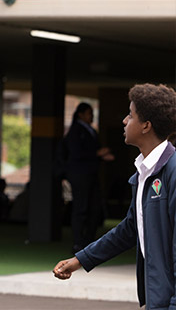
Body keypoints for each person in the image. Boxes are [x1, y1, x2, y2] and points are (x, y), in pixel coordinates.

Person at [54, 84, 176, 310]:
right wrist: (80, 260)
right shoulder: (143, 174)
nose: (124, 121)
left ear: (146, 126)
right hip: (157, 299)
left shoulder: (172, 172)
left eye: (130, 115)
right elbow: (129, 230)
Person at [64, 102, 115, 252]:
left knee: (94, 207)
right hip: (80, 175)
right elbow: (76, 153)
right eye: (88, 113)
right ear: (80, 114)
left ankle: (89, 240)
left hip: (91, 173)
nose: (91, 116)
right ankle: (78, 242)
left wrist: (101, 156)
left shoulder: (91, 130)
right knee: (81, 208)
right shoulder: (75, 131)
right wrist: (97, 154)